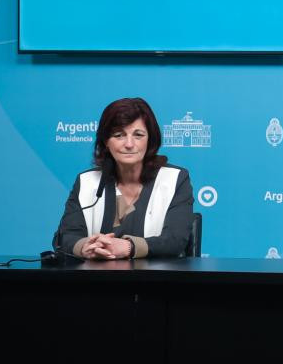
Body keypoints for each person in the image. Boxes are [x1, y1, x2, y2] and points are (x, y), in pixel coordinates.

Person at [55, 97, 194, 260]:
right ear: (106, 141)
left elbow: (175, 241)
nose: (129, 144)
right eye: (119, 135)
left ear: (150, 140)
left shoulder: (175, 179)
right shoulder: (86, 182)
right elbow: (66, 236)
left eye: (138, 135)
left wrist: (129, 247)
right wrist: (85, 247)